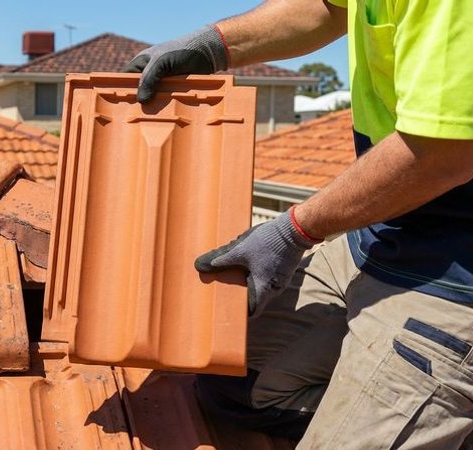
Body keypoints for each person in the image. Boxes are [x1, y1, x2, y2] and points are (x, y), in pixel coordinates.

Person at [125, 1, 473, 448]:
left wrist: (295, 231)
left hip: (456, 279)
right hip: (383, 235)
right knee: (231, 381)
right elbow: (326, 8)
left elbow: (443, 153)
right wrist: (211, 46)